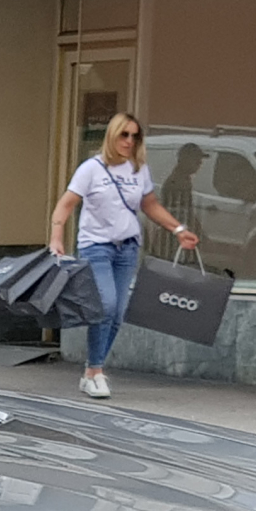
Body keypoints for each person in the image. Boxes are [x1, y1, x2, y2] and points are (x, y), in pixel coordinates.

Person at [48, 112, 196, 399]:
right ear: (112, 136)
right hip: (97, 246)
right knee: (105, 305)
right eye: (124, 135)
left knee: (117, 313)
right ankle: (95, 372)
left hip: (127, 248)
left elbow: (150, 205)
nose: (129, 141)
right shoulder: (91, 168)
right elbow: (66, 204)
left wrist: (178, 229)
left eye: (134, 136)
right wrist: (56, 237)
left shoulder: (138, 170)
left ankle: (94, 370)